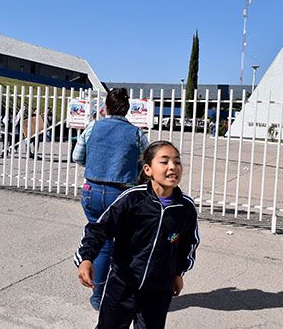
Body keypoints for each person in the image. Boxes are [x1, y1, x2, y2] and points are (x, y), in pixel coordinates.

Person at [75, 141, 200, 329]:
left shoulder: (185, 208)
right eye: (164, 162)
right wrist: (86, 258)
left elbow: (186, 244)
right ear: (148, 169)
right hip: (123, 285)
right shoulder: (132, 199)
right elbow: (99, 228)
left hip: (159, 290)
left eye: (177, 162)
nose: (173, 167)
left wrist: (177, 273)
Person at [72, 87, 149, 310]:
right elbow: (146, 162)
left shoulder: (92, 127)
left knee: (102, 243)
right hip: (121, 193)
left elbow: (77, 157)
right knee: (125, 245)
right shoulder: (136, 133)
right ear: (127, 109)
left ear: (106, 107)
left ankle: (99, 297)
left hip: (92, 190)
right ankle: (117, 294)